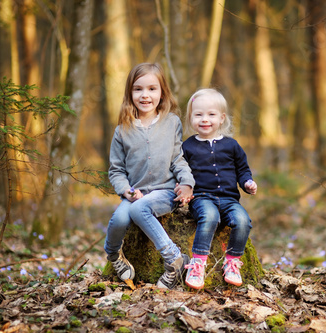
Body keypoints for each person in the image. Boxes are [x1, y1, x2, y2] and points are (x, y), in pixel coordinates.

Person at [104, 62, 195, 289]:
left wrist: (186, 183)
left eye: (152, 89)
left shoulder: (171, 122)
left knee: (138, 209)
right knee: (119, 219)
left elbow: (178, 158)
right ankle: (114, 255)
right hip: (135, 193)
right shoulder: (122, 129)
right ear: (130, 93)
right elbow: (116, 169)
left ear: (162, 92)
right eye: (138, 89)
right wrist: (125, 189)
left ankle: (173, 258)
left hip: (164, 192)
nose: (145, 95)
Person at [177, 88, 257, 289]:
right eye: (198, 114)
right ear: (191, 118)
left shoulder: (232, 146)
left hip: (230, 199)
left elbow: (242, 170)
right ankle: (198, 263)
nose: (205, 119)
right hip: (202, 198)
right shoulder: (187, 147)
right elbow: (180, 171)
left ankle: (232, 261)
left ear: (221, 118)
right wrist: (181, 188)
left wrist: (247, 183)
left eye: (211, 114)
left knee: (243, 221)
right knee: (211, 217)